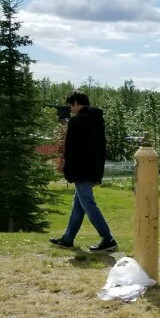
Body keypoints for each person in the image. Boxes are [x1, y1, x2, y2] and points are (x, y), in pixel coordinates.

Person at [49, 91, 117, 252]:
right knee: (78, 204)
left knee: (88, 203)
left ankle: (108, 238)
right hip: (93, 167)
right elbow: (100, 147)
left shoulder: (77, 121)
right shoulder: (97, 120)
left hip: (80, 169)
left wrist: (67, 168)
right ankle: (68, 238)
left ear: (76, 104)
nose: (71, 109)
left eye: (71, 105)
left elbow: (71, 149)